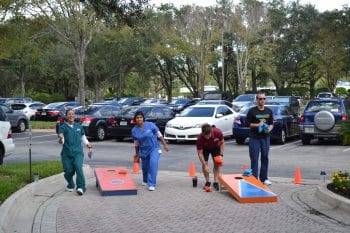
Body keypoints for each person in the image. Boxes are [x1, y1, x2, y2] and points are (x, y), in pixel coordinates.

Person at [58, 109, 92, 195]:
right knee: (68, 172)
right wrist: (61, 138)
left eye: (73, 114)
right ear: (66, 116)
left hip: (78, 153)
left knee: (78, 167)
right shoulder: (63, 127)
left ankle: (81, 187)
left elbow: (83, 138)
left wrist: (88, 145)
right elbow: (62, 139)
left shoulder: (79, 126)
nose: (71, 115)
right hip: (66, 153)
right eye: (69, 114)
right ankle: (71, 184)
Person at [132, 111, 169, 191]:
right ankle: (145, 180)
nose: (139, 119)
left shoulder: (151, 125)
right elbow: (136, 143)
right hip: (143, 150)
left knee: (153, 163)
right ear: (135, 119)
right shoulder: (134, 130)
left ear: (143, 118)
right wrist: (137, 154)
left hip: (154, 148)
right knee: (145, 167)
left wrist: (164, 144)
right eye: (137, 118)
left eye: (140, 117)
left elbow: (159, 134)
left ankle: (152, 184)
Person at [246, 90, 274, 185]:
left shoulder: (269, 111)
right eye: (260, 98)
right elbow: (247, 123)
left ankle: (264, 178)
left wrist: (269, 129)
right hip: (254, 138)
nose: (262, 100)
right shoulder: (252, 111)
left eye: (264, 98)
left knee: (265, 157)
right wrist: (257, 125)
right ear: (257, 100)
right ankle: (254, 178)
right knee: (254, 158)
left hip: (265, 138)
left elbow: (271, 124)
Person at [196, 123, 224, 191]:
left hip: (215, 147)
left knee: (217, 163)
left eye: (209, 136)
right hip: (205, 149)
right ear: (202, 133)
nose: (208, 138)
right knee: (204, 164)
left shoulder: (218, 132)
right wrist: (205, 165)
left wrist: (221, 155)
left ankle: (215, 181)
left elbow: (222, 142)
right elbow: (200, 153)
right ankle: (207, 181)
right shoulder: (199, 139)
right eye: (206, 136)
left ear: (211, 131)